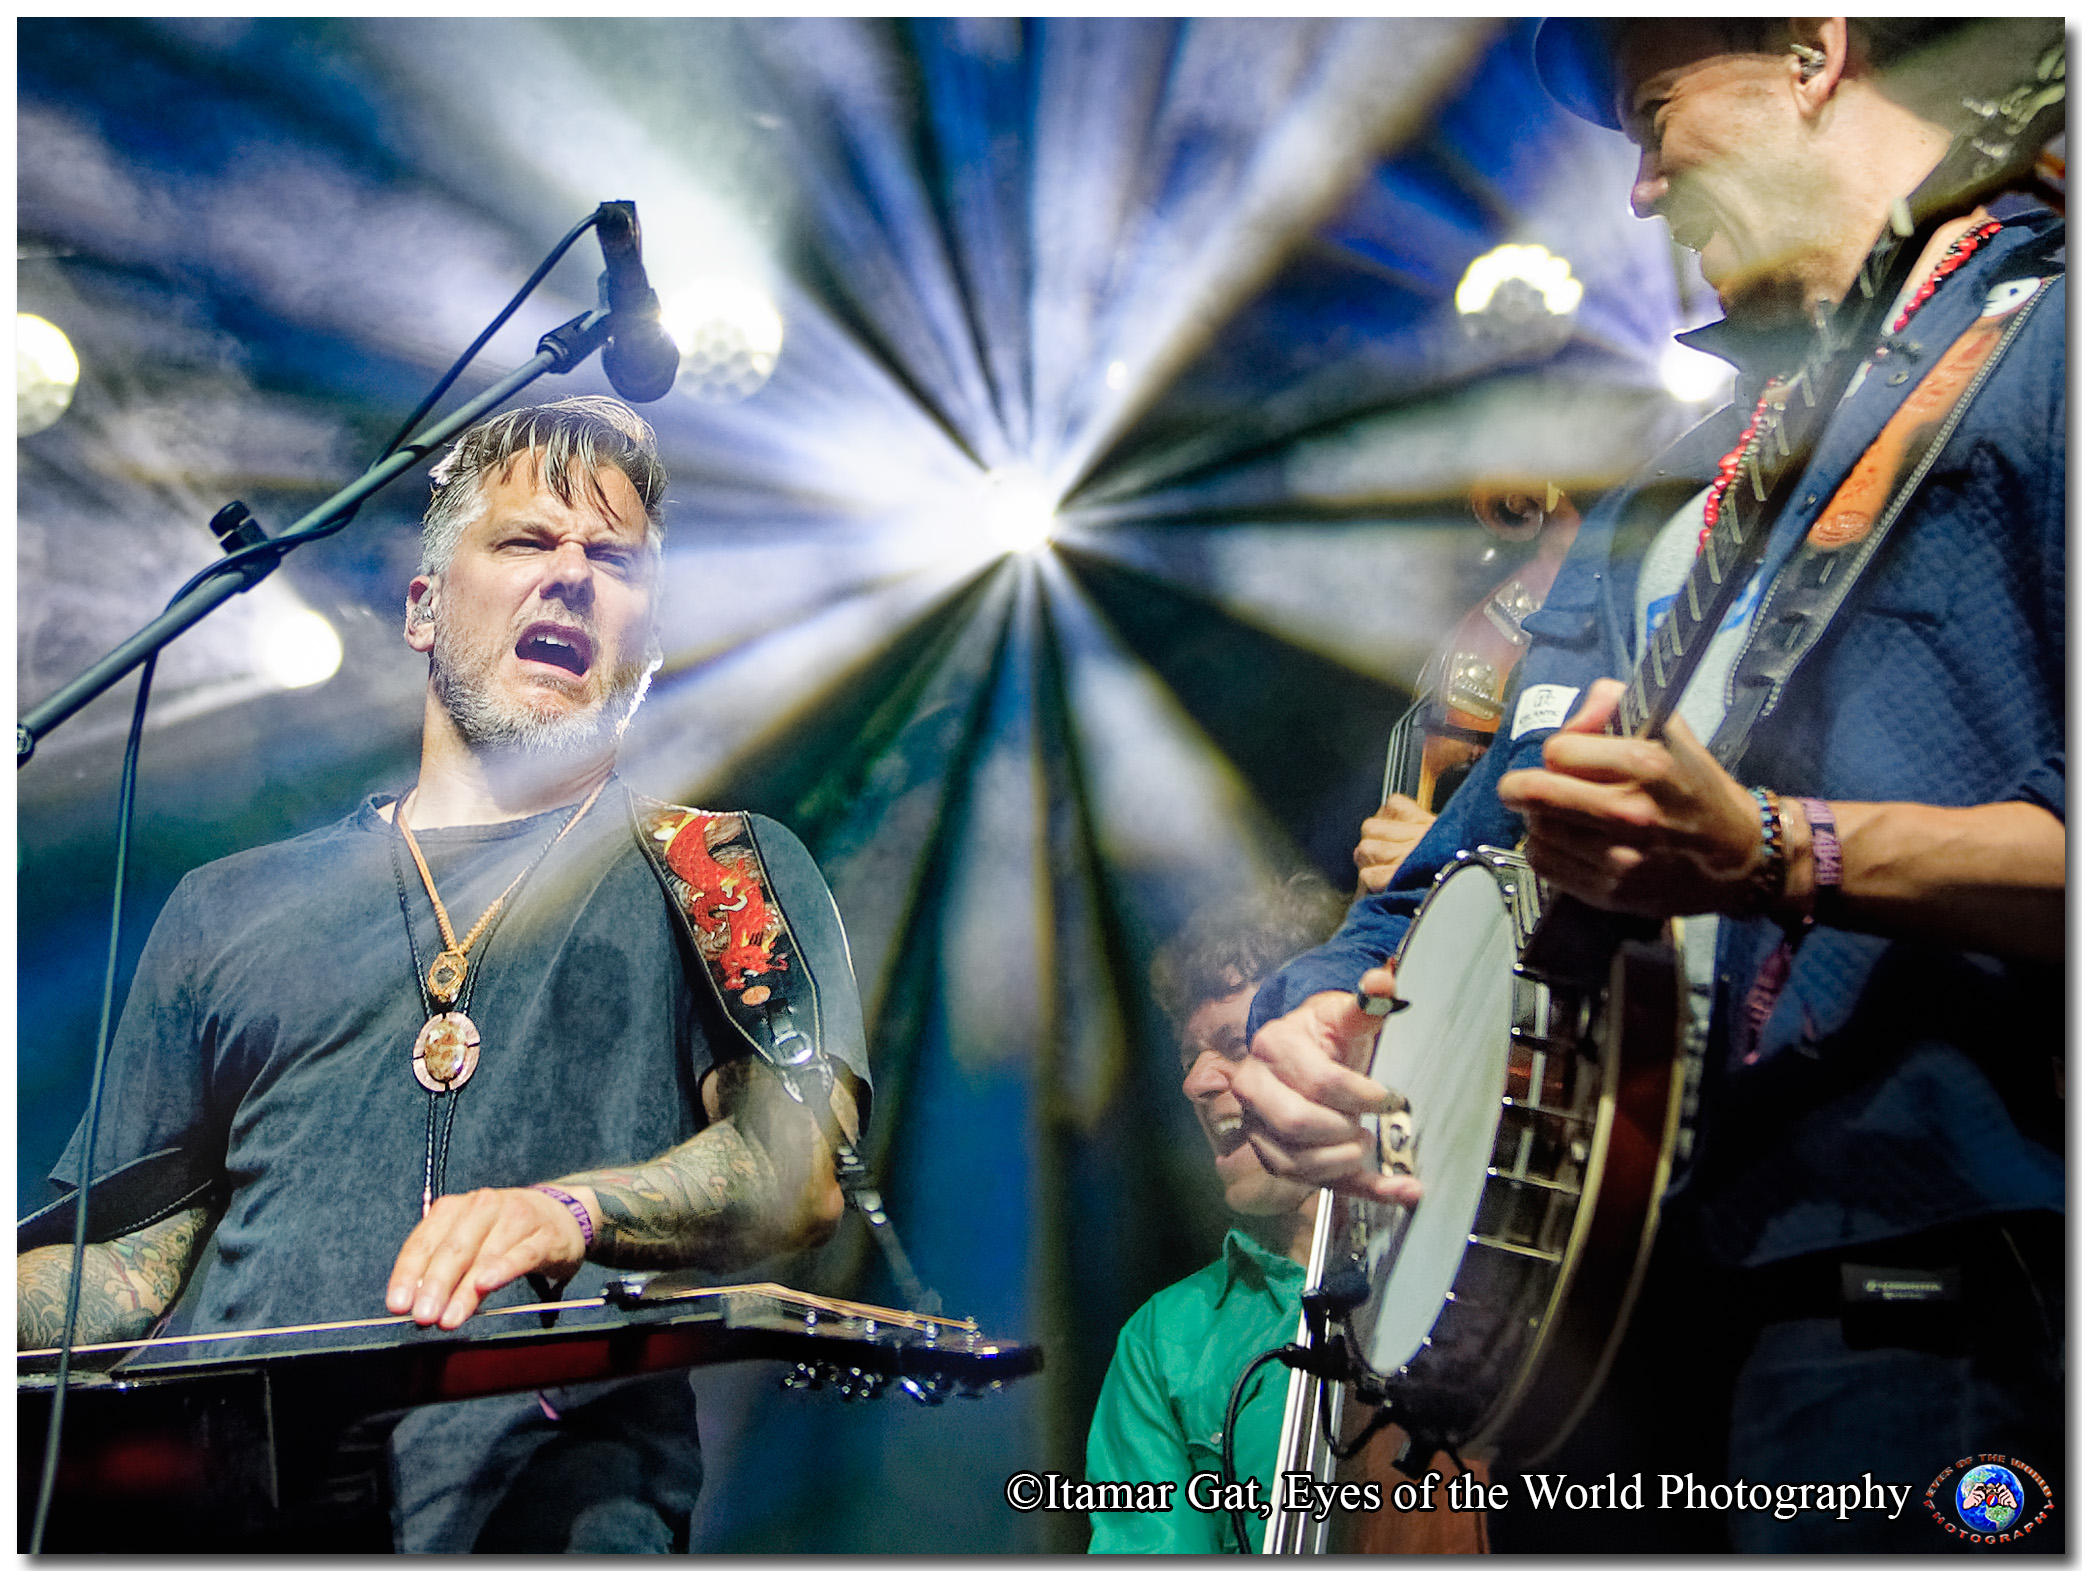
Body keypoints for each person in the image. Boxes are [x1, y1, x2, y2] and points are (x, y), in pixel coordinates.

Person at [1233, 18, 2062, 1553]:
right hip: (1592, 1327)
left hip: (1903, 1274)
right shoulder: (1661, 494)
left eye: (1651, 114)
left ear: (1812, 52)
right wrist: (1322, 999)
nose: (1637, 190)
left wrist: (1777, 849)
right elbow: (1473, 842)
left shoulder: (2046, 351)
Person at [18, 396, 869, 1552]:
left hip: (552, 1521)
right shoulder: (228, 905)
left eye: (614, 559)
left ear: (652, 644)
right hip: (227, 1519)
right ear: (422, 607)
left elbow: (795, 1170)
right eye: (526, 540)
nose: (570, 576)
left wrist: (568, 1211)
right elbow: (131, 1263)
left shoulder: (721, 871)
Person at [1084, 875, 1347, 1553]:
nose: (1195, 1083)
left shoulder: (1457, 1252)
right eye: (1188, 1056)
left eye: (1234, 1043)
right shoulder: (1163, 1340)